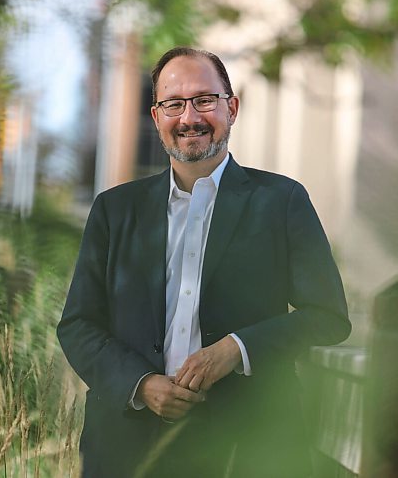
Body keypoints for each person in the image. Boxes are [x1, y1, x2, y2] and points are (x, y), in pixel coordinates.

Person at [57, 46, 351, 478]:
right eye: (174, 104)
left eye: (204, 100)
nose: (190, 117)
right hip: (127, 445)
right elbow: (78, 325)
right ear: (157, 118)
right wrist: (140, 384)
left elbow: (328, 316)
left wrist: (238, 348)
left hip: (248, 443)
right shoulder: (114, 210)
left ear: (231, 108)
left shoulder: (282, 201)